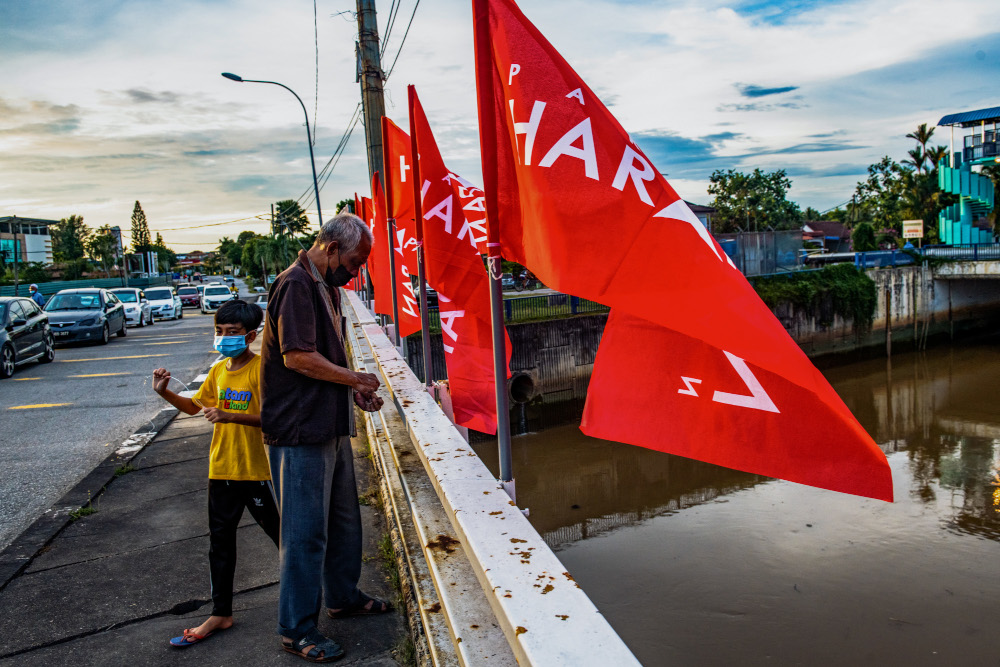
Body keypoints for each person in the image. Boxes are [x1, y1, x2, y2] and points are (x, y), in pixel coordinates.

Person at [261, 213, 387, 663]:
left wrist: (352, 389)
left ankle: (342, 597)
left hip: (327, 424)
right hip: (299, 430)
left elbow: (324, 357)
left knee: (344, 523)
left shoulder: (325, 288)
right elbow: (297, 357)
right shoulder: (296, 284)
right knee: (305, 533)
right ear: (332, 248)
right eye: (355, 262)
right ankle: (296, 628)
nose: (356, 273)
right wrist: (355, 377)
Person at [151, 299, 279, 649]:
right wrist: (166, 394)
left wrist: (231, 416)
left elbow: (277, 417)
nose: (224, 338)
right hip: (222, 469)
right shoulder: (220, 369)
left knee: (285, 540)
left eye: (232, 333)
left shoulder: (261, 370)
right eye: (219, 331)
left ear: (251, 336)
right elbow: (194, 407)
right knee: (219, 545)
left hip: (258, 471)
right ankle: (221, 612)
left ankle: (311, 599)